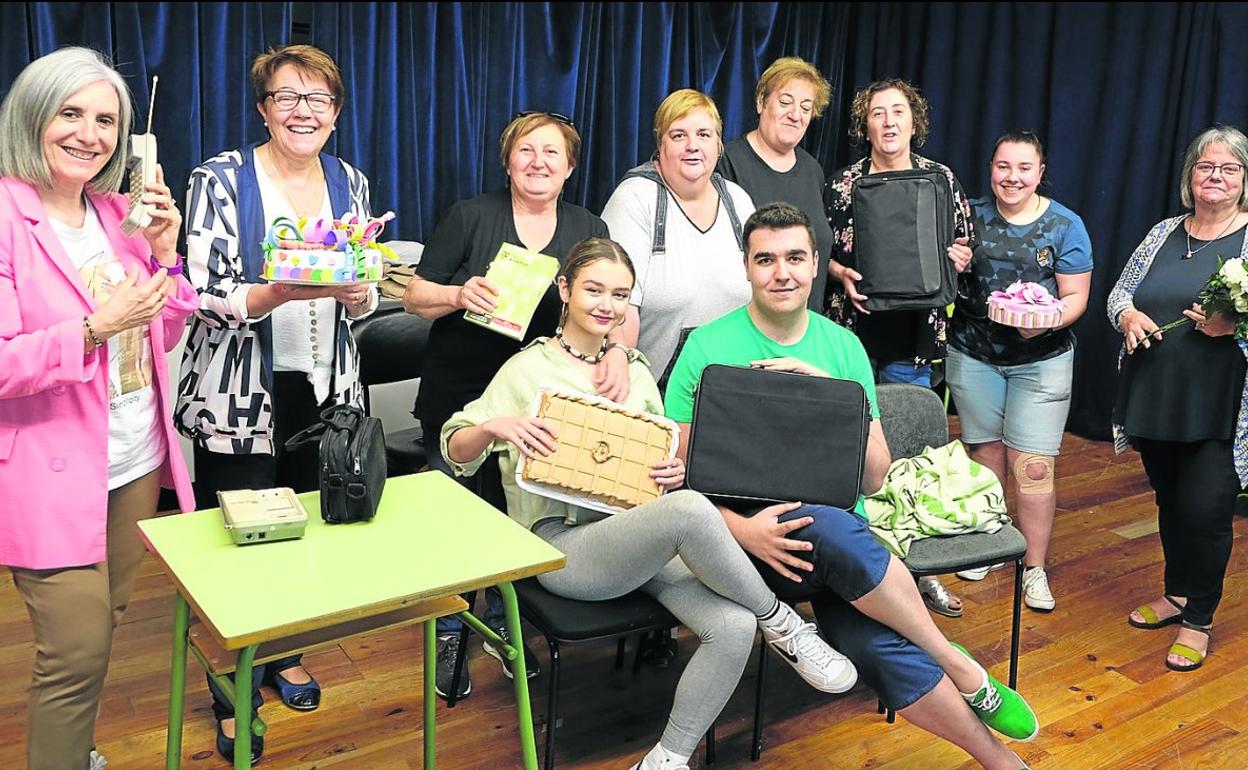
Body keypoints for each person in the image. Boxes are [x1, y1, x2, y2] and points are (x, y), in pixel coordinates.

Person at [442, 237, 855, 770]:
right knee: (691, 511)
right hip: (562, 545)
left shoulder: (634, 371)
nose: (606, 305)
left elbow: (660, 460)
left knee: (732, 626)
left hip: (637, 534)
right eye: (593, 290)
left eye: (620, 294)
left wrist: (673, 470)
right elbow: (455, 449)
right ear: (564, 290)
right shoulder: (526, 369)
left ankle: (667, 759)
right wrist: (495, 427)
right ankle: (784, 623)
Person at [665, 203, 1038, 770]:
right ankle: (956, 662)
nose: (782, 273)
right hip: (741, 548)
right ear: (746, 267)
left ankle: (1001, 763)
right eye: (766, 260)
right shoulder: (706, 347)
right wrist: (742, 531)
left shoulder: (841, 348)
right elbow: (677, 480)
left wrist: (835, 400)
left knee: (874, 643)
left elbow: (875, 476)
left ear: (816, 263)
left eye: (795, 258)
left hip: (842, 545)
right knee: (828, 532)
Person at [176, 44, 379, 763]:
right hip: (240, 393)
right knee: (237, 545)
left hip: (324, 392)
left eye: (318, 98)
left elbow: (364, 287)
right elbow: (201, 294)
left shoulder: (349, 181)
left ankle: (283, 651)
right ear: (264, 109)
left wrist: (359, 293)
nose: (303, 111)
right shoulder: (220, 178)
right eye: (287, 96)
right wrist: (275, 292)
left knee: (304, 534)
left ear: (336, 112)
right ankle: (231, 694)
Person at [0, 46, 194, 770]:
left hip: (134, 460)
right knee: (75, 652)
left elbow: (160, 334)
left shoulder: (117, 215)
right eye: (70, 113)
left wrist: (166, 254)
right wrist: (91, 329)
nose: (90, 134)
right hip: (51, 469)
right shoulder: (5, 216)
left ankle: (75, 750)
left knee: (105, 621)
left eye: (106, 120)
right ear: (32, 117)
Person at [404, 110, 614, 700]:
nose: (538, 162)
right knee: (454, 521)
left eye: (552, 153)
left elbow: (611, 302)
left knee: (516, 520)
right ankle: (449, 631)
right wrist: (457, 293)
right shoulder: (471, 216)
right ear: (507, 160)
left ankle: (501, 624)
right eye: (526, 150)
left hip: (540, 403)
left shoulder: (587, 226)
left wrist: (619, 352)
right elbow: (415, 296)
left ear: (569, 168)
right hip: (459, 396)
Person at [822, 78, 976, 617]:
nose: (888, 122)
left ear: (915, 122)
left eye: (898, 112)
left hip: (915, 339)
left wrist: (960, 256)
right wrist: (839, 273)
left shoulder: (941, 178)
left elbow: (965, 242)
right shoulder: (843, 183)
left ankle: (918, 575)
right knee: (851, 456)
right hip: (852, 336)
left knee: (907, 460)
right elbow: (819, 251)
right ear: (864, 125)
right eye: (877, 113)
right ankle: (855, 571)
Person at [1109, 124, 1248, 672]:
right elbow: (1120, 293)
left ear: (1244, 180)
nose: (1215, 177)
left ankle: (1200, 619)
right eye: (1205, 166)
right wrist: (1127, 316)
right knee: (1170, 502)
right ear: (1190, 176)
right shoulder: (1164, 231)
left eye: (1229, 168)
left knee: (1206, 509)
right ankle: (1177, 593)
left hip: (1218, 406)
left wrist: (1233, 327)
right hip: (1157, 398)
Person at [946, 131, 1093, 613]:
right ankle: (989, 546)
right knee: (985, 455)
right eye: (1003, 166)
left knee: (1032, 467)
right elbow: (941, 277)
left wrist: (1046, 321)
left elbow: (1076, 297)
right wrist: (953, 262)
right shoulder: (967, 214)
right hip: (973, 354)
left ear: (1040, 172)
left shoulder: (1066, 225)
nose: (1012, 177)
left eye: (1024, 168)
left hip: (1041, 361)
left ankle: (1034, 567)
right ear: (991, 168)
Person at [602, 88, 756, 381]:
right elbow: (618, 301)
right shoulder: (635, 199)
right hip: (654, 389)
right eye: (678, 135)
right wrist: (623, 367)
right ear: (660, 145)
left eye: (704, 134)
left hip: (731, 385)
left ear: (719, 145)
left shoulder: (738, 200)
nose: (692, 146)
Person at [718, 56, 834, 312]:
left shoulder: (813, 170)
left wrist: (835, 268)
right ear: (761, 102)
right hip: (749, 326)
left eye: (806, 108)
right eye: (785, 102)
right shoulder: (726, 164)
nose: (795, 115)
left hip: (806, 326)